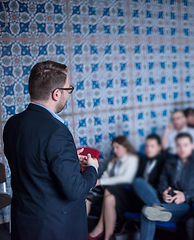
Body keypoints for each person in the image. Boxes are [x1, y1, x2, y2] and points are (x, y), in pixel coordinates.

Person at [3, 61, 99, 240]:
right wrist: (92, 168)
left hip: (22, 222)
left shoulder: (12, 124)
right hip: (55, 228)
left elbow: (34, 164)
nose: (68, 95)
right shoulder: (57, 132)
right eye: (68, 89)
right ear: (56, 94)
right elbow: (75, 189)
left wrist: (69, 160)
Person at [132, 133, 194, 240]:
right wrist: (164, 191)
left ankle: (155, 208)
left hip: (186, 205)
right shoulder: (171, 161)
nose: (182, 149)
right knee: (139, 181)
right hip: (165, 200)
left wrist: (185, 195)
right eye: (179, 145)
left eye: (185, 145)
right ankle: (156, 206)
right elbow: (162, 180)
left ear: (192, 145)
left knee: (147, 211)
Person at [87, 136, 139, 240]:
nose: (114, 150)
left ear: (125, 147)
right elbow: (106, 174)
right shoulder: (114, 159)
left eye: (117, 147)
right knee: (90, 196)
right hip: (109, 189)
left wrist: (101, 182)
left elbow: (126, 179)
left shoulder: (132, 159)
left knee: (108, 192)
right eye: (113, 148)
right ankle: (84, 231)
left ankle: (100, 228)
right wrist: (101, 181)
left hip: (126, 192)